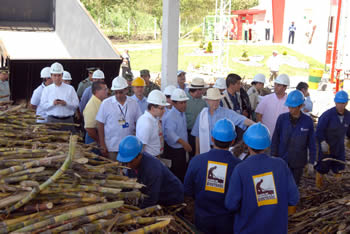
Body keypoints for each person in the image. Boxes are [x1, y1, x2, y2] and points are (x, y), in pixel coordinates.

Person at [225, 123, 299, 233]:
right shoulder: (281, 165)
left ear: (247, 144)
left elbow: (231, 205)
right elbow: (294, 199)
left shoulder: (241, 169)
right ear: (267, 145)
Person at [184, 119, 240, 234]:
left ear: (212, 138)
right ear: (233, 141)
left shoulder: (196, 161)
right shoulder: (239, 167)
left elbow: (187, 190)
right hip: (228, 221)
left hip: (202, 218)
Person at [117, 136, 184, 208]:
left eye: (130, 162)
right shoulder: (132, 164)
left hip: (171, 196)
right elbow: (128, 184)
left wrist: (139, 212)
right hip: (157, 194)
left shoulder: (152, 168)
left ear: (139, 156)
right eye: (125, 163)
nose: (128, 166)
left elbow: (151, 198)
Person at [271, 90, 316, 186]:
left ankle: (293, 201)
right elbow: (275, 138)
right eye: (289, 106)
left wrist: (311, 161)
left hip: (298, 162)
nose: (290, 109)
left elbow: (312, 143)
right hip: (282, 159)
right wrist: (273, 156)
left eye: (293, 107)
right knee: (280, 185)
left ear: (301, 106)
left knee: (294, 185)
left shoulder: (308, 121)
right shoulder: (282, 119)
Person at [192, 88, 254, 155]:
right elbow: (197, 135)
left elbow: (242, 119)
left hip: (221, 149)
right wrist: (197, 152)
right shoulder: (202, 114)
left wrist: (255, 124)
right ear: (207, 101)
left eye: (217, 100)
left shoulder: (226, 113)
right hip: (205, 148)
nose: (215, 102)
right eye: (213, 100)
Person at [96, 76, 142, 160]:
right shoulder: (106, 103)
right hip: (112, 146)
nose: (118, 95)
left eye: (120, 92)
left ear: (126, 90)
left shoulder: (133, 103)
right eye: (116, 92)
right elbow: (100, 124)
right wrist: (102, 144)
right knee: (113, 170)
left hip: (129, 146)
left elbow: (139, 122)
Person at [315, 91, 350, 188]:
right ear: (335, 102)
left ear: (346, 103)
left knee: (339, 168)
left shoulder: (348, 116)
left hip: (339, 147)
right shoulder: (327, 115)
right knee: (322, 166)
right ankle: (319, 186)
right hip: (327, 146)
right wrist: (322, 142)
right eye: (338, 103)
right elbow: (319, 130)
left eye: (343, 103)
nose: (340, 105)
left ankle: (336, 187)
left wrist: (349, 140)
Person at [40, 62, 79, 131]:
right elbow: (43, 106)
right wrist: (52, 104)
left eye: (59, 75)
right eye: (55, 75)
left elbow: (76, 104)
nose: (57, 78)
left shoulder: (70, 89)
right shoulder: (47, 89)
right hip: (52, 120)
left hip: (68, 120)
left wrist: (66, 104)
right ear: (51, 76)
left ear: (62, 75)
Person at [163, 88, 191, 181]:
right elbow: (170, 134)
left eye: (185, 102)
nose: (184, 105)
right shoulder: (171, 116)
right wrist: (184, 143)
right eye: (181, 103)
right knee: (177, 174)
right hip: (174, 151)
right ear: (174, 103)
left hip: (181, 149)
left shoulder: (181, 113)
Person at [136, 90, 169, 157]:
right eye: (162, 108)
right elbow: (141, 147)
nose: (164, 111)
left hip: (155, 157)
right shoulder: (146, 123)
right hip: (149, 159)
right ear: (153, 108)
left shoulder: (154, 119)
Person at [185, 78, 208, 159]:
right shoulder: (184, 100)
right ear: (198, 90)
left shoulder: (203, 101)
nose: (203, 92)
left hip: (200, 133)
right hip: (188, 133)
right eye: (202, 90)